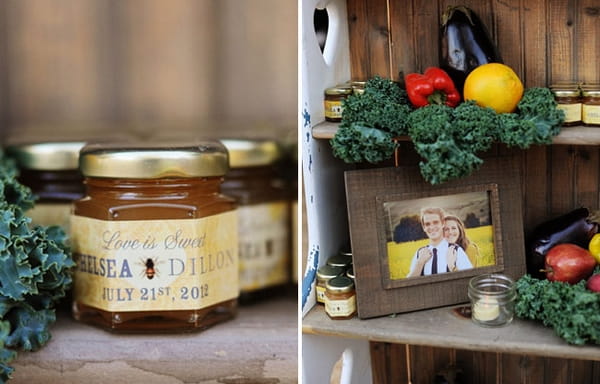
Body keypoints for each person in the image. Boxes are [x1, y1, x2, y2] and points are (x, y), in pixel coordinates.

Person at [407, 207, 472, 277]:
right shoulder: (419, 253)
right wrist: (420, 263)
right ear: (424, 227)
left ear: (443, 224)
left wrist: (452, 267)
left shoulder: (456, 251)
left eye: (435, 222)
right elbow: (408, 284)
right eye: (427, 224)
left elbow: (469, 279)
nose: (432, 227)